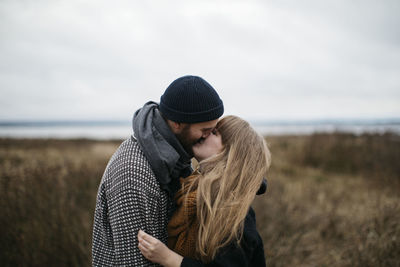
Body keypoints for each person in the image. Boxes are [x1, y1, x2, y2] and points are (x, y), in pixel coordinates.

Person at [92, 75, 224, 266]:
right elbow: (133, 262)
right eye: (205, 130)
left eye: (213, 130)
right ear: (177, 123)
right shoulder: (133, 174)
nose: (208, 137)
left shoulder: (174, 154)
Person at [137, 115, 271, 267]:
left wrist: (169, 259)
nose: (204, 134)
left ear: (231, 153)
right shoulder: (192, 187)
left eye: (214, 132)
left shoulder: (237, 216)